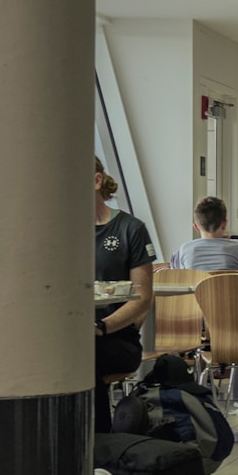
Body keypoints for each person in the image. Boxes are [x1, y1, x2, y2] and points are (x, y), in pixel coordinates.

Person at [93, 157, 156, 432]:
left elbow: (143, 297)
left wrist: (101, 327)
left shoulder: (131, 229)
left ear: (96, 181)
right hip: (67, 336)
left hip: (116, 338)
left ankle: (99, 444)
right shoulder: (60, 231)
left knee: (85, 356)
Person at [171, 196, 238, 271]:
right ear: (224, 224)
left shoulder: (185, 249)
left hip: (196, 284)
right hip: (229, 284)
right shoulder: (237, 248)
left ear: (196, 227)